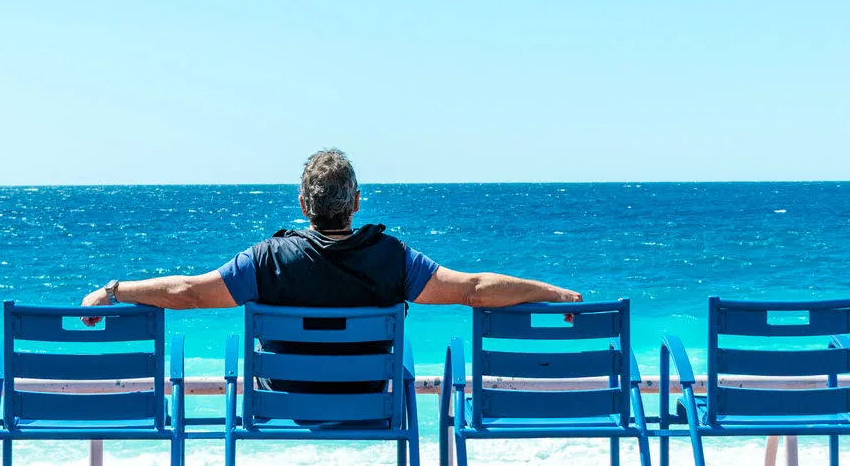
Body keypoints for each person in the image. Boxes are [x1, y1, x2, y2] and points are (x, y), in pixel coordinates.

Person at [82, 148, 581, 319]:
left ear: (303, 205)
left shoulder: (266, 259)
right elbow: (473, 289)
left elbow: (188, 293)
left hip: (284, 399)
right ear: (357, 203)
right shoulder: (394, 257)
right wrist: (551, 292)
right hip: (371, 395)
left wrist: (113, 290)